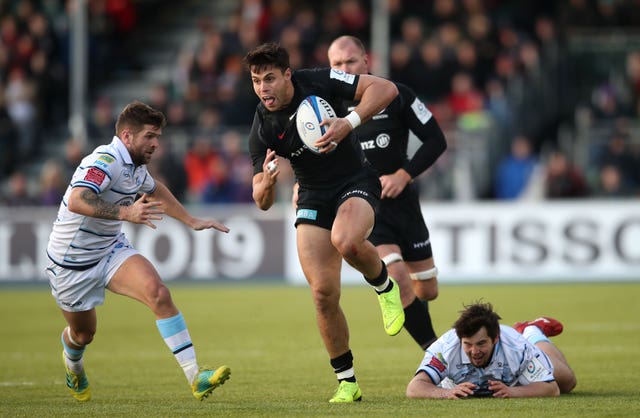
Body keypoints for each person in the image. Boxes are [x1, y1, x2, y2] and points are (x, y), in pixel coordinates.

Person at [244, 42, 403, 403]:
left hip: (355, 181)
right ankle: (347, 382)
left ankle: (383, 286)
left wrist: (349, 122)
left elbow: (386, 89)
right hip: (313, 195)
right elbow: (261, 201)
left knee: (346, 241)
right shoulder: (262, 125)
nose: (263, 88)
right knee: (322, 294)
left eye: (270, 78)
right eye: (256, 81)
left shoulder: (317, 81)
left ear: (287, 74)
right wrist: (267, 183)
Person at [45, 101, 231, 402]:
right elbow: (78, 199)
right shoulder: (105, 160)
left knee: (158, 293)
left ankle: (196, 376)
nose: (156, 143)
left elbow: (154, 188)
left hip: (110, 250)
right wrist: (125, 213)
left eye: (157, 136)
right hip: (71, 263)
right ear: (127, 136)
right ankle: (73, 366)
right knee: (83, 334)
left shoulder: (135, 167)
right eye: (150, 136)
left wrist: (191, 220)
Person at [324, 35, 447, 350]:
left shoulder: (396, 95)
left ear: (367, 62)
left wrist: (404, 174)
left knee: (427, 289)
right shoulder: (326, 105)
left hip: (404, 203)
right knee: (398, 278)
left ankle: (428, 341)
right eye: (337, 64)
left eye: (350, 61)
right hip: (365, 204)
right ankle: (437, 357)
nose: (344, 68)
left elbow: (436, 140)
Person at [406, 302, 577, 399]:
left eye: (481, 344)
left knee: (567, 383)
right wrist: (447, 393)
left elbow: (551, 388)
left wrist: (513, 392)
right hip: (457, 383)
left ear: (495, 338)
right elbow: (414, 388)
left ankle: (532, 332)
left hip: (517, 376)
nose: (474, 351)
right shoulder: (445, 349)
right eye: (467, 344)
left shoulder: (516, 347)